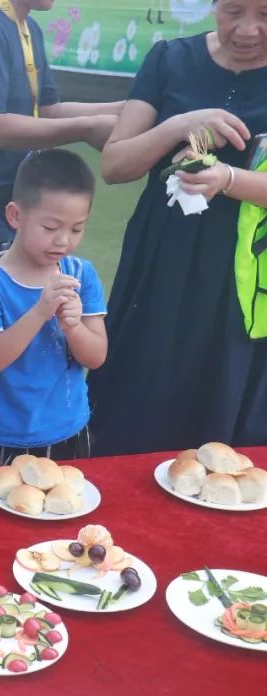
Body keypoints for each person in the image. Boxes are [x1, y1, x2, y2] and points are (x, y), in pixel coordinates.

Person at [0, 0, 121, 429]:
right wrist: (88, 128)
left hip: (2, 210)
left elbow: (46, 110)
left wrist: (122, 111)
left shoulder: (24, 25)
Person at [90, 0, 267, 455]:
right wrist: (179, 126)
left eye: (266, 14)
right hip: (162, 255)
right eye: (233, 11)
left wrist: (228, 179)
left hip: (244, 273)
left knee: (222, 400)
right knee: (139, 387)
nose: (248, 29)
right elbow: (115, 164)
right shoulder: (170, 59)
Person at [0, 149, 107, 466]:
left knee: (67, 509)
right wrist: (41, 311)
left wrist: (73, 326)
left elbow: (96, 357)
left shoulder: (81, 274)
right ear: (15, 216)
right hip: (4, 435)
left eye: (76, 228)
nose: (63, 241)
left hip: (69, 429)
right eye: (51, 227)